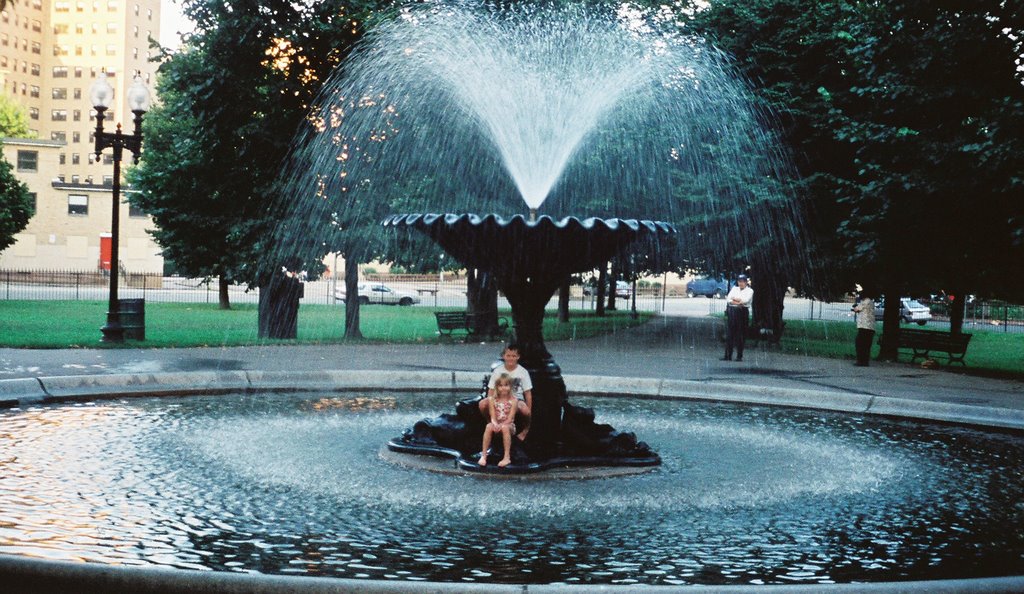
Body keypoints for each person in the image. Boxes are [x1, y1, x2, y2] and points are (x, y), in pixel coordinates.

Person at [479, 344, 533, 441]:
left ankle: (526, 429)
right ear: (503, 356)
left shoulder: (523, 372)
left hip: (516, 398)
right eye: (508, 356)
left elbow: (527, 393)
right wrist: (491, 404)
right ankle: (490, 422)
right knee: (482, 404)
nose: (511, 359)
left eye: (513, 356)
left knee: (525, 410)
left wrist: (528, 410)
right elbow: (491, 391)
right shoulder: (498, 371)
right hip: (499, 397)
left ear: (518, 357)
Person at [478, 373, 517, 467]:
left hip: (509, 425)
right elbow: (492, 416)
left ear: (510, 386)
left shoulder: (514, 400)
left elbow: (510, 418)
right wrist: (495, 424)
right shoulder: (492, 400)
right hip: (497, 423)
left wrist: (502, 425)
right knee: (488, 426)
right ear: (497, 387)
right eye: (500, 385)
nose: (503, 388)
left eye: (506, 385)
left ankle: (506, 457)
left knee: (504, 427)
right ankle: (484, 455)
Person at [723, 274, 753, 362]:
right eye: (740, 281)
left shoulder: (750, 291)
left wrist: (735, 300)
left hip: (742, 312)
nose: (741, 283)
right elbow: (728, 299)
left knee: (741, 334)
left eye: (743, 281)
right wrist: (738, 302)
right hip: (733, 311)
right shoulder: (734, 289)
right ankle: (728, 355)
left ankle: (739, 356)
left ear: (746, 282)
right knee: (730, 334)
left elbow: (745, 301)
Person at [852, 288, 876, 366]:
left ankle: (861, 360)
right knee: (866, 345)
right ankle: (864, 361)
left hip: (865, 326)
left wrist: (855, 307)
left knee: (860, 343)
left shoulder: (865, 301)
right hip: (869, 327)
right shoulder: (870, 301)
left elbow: (857, 309)